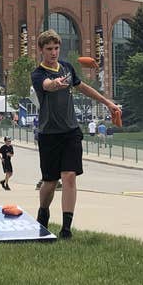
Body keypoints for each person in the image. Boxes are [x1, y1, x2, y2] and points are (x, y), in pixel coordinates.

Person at [31, 29, 121, 239]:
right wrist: (55, 84)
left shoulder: (68, 68)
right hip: (49, 133)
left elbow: (83, 87)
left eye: (56, 48)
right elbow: (47, 86)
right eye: (49, 49)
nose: (53, 52)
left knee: (69, 176)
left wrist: (108, 103)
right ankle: (43, 215)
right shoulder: (38, 74)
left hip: (71, 131)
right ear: (41, 50)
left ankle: (66, 228)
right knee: (50, 182)